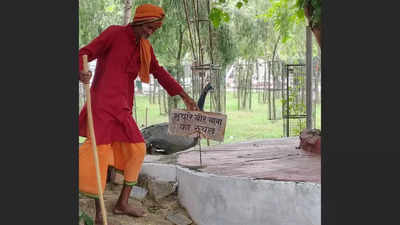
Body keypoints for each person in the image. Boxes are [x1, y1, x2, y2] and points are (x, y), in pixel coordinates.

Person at [78, 4, 199, 225]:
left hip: (123, 108)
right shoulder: (114, 33)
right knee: (100, 156)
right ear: (139, 21)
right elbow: (85, 52)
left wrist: (184, 96)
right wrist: (81, 71)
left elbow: (159, 72)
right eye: (150, 28)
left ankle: (122, 203)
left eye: (154, 30)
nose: (150, 33)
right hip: (101, 106)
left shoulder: (144, 48)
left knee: (137, 148)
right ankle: (98, 213)